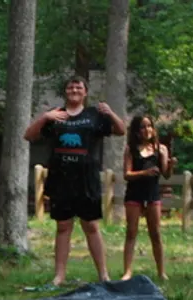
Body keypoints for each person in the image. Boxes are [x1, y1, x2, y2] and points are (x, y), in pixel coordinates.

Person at [24, 76, 127, 286]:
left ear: (85, 92)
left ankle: (103, 275)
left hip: (86, 178)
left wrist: (110, 113)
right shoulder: (55, 115)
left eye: (78, 87)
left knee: (91, 225)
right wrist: (45, 117)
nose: (74, 89)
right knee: (63, 226)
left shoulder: (94, 115)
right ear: (65, 91)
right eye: (70, 86)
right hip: (60, 178)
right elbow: (29, 135)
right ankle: (59, 276)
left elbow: (121, 130)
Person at [120, 115, 174, 281]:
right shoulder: (131, 149)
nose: (147, 130)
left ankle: (161, 272)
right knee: (131, 232)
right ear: (137, 131)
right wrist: (145, 173)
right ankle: (127, 272)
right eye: (143, 127)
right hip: (134, 194)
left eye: (149, 126)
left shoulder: (160, 149)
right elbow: (127, 174)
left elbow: (166, 174)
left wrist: (171, 165)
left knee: (155, 233)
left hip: (152, 194)